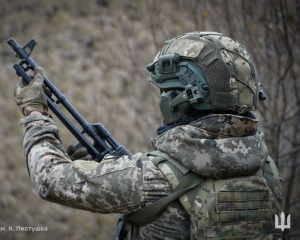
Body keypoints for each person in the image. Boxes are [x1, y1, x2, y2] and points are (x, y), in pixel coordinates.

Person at [14, 32, 284, 239]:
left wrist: (35, 113)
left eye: (165, 92)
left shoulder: (150, 179)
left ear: (180, 100)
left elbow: (49, 179)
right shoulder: (267, 170)